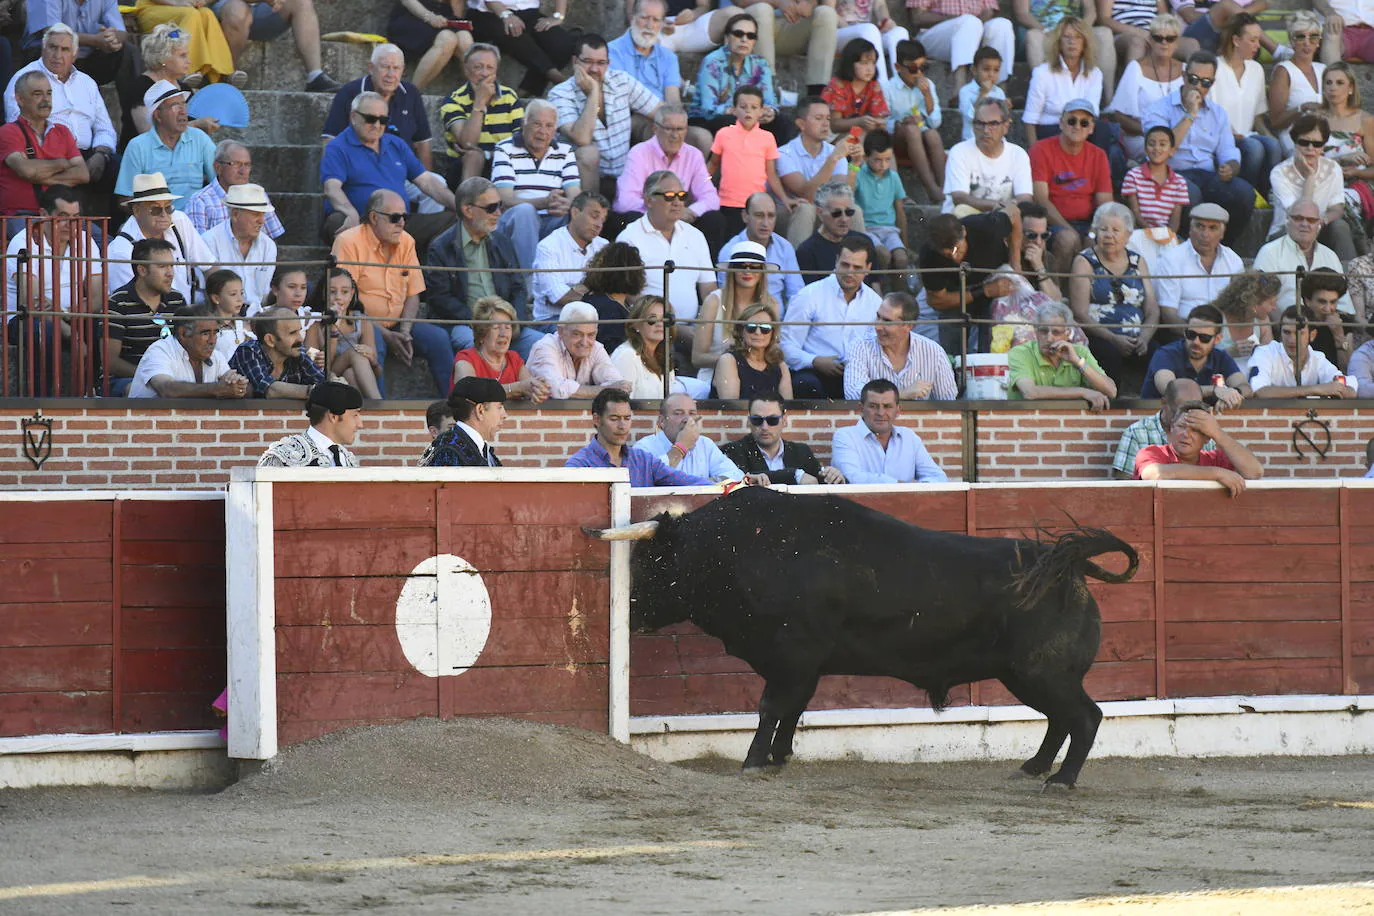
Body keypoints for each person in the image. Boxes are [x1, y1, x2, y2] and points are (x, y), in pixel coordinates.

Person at [332, 188, 454, 396]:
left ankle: (455, 408)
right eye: (395, 218)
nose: (402, 223)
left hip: (399, 323)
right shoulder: (348, 242)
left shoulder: (406, 241)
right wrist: (387, 335)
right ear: (373, 217)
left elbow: (413, 293)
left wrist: (405, 331)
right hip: (360, 322)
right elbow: (344, 301)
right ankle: (382, 415)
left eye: (405, 217)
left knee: (440, 339)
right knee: (374, 344)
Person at [320, 90, 456, 250]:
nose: (377, 125)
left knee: (455, 222)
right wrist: (350, 213)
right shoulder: (337, 147)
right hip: (362, 221)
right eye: (370, 119)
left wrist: (459, 205)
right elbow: (331, 188)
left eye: (383, 120)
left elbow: (426, 181)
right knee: (339, 223)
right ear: (354, 117)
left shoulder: (396, 144)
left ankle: (421, 270)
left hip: (398, 221)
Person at [1141, 51, 1253, 247]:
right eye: (1193, 80)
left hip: (1208, 173)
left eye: (1206, 83)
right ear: (1184, 77)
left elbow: (1228, 151)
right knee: (1189, 193)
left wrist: (1230, 166)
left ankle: (1224, 247)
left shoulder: (1218, 113)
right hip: (1172, 173)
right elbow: (1160, 149)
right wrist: (1190, 114)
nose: (1198, 87)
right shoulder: (1159, 108)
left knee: (1243, 193)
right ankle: (1187, 247)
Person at [425, 176, 541, 359]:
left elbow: (518, 287)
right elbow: (440, 299)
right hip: (465, 324)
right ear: (468, 210)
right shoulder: (441, 247)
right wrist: (482, 321)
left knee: (541, 345)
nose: (498, 213)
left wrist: (513, 321)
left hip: (504, 323)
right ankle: (494, 388)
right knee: (475, 346)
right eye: (491, 208)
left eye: (500, 205)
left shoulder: (502, 242)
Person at [3, 186, 104, 392]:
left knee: (102, 322)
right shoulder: (24, 242)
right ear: (44, 215)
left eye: (76, 217)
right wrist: (71, 335)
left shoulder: (86, 241)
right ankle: (46, 400)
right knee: (45, 330)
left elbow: (97, 297)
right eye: (63, 216)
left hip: (70, 314)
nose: (70, 224)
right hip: (23, 319)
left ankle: (92, 393)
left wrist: (68, 315)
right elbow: (32, 302)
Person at [4, 25, 117, 209]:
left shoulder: (87, 83)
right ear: (43, 48)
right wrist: (62, 161)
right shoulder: (24, 79)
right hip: (46, 151)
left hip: (88, 153)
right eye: (53, 47)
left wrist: (101, 154)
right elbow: (19, 126)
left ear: (74, 53)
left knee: (118, 168)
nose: (57, 54)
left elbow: (105, 128)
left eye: (64, 49)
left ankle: (114, 229)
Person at [550, 33, 661, 194]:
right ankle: (588, 212)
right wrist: (593, 92)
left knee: (658, 127)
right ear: (575, 62)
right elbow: (582, 138)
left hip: (625, 175)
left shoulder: (622, 80)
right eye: (587, 62)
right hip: (584, 180)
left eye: (601, 63)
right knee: (588, 152)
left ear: (608, 63)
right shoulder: (560, 93)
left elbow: (660, 110)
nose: (594, 69)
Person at [1067, 201, 1158, 386]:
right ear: (1096, 232)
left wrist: (1145, 337)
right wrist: (1113, 338)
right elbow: (1079, 313)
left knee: (1160, 355)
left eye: (1116, 230)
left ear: (1128, 235)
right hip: (1099, 336)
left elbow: (1152, 308)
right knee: (1108, 354)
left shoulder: (1137, 260)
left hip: (1137, 337)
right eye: (1103, 229)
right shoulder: (1085, 261)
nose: (1109, 235)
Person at [783, 234, 884, 398]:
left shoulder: (875, 303)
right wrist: (815, 361)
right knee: (806, 384)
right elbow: (786, 347)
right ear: (836, 261)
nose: (849, 272)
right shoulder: (809, 295)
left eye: (857, 267)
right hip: (813, 373)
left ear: (868, 268)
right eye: (845, 265)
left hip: (857, 374)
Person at [488, 99, 579, 272]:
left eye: (549, 126)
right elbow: (505, 200)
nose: (542, 132)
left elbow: (575, 194)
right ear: (524, 123)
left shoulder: (565, 151)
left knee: (574, 214)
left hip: (551, 219)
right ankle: (528, 281)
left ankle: (564, 278)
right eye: (537, 124)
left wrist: (568, 205)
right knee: (525, 212)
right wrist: (544, 202)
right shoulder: (505, 149)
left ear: (555, 130)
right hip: (515, 223)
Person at [617, 170, 717, 327]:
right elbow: (629, 296)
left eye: (682, 196)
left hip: (693, 328)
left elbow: (709, 290)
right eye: (669, 196)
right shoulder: (629, 238)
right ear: (649, 200)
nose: (677, 202)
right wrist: (671, 328)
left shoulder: (695, 235)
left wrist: (707, 329)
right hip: (648, 328)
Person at [611, 0, 712, 151]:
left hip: (665, 120)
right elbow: (623, 101)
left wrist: (673, 122)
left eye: (656, 20)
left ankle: (688, 173)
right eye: (644, 18)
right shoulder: (613, 51)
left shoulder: (668, 57)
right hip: (630, 118)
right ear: (633, 17)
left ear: (662, 24)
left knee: (702, 138)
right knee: (656, 132)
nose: (649, 25)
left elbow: (673, 99)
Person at [1029, 97, 1114, 274]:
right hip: (1051, 222)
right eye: (1071, 121)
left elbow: (1105, 203)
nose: (1077, 126)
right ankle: (1057, 293)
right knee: (1068, 239)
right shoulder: (1040, 149)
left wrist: (1092, 232)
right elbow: (1041, 199)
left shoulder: (1098, 156)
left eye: (1084, 123)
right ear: (1061, 123)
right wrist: (1070, 230)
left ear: (1091, 129)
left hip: (1088, 222)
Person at [917, 206, 1017, 353]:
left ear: (964, 232)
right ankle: (952, 369)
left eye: (956, 249)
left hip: (996, 280)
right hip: (959, 294)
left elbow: (1014, 213)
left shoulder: (984, 226)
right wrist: (983, 291)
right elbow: (936, 301)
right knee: (950, 326)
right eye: (946, 253)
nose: (953, 256)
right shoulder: (929, 254)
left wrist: (1016, 262)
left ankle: (989, 367)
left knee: (994, 337)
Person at [564, 387, 712, 486]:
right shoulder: (579, 465)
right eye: (614, 419)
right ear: (597, 420)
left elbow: (686, 481)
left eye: (627, 418)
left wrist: (722, 487)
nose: (622, 426)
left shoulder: (643, 459)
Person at [615, 104, 722, 240]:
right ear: (655, 128)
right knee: (631, 217)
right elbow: (625, 201)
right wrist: (662, 211)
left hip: (682, 219)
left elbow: (711, 198)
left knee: (714, 219)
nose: (675, 135)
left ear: (686, 130)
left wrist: (690, 211)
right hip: (649, 219)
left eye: (680, 129)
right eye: (669, 129)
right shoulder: (639, 153)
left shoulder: (694, 155)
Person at [322, 44, 434, 172]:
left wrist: (427, 179)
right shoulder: (349, 92)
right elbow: (330, 139)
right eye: (385, 67)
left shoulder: (411, 94)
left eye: (396, 68)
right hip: (361, 172)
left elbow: (422, 142)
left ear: (403, 70)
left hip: (403, 173)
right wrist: (333, 178)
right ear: (371, 68)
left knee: (440, 184)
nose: (391, 74)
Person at [106, 172, 215, 301]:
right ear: (136, 210)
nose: (164, 214)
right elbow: (129, 302)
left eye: (168, 207)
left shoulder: (180, 221)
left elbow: (210, 267)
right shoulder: (120, 251)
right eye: (156, 209)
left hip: (186, 314)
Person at [116, 24, 219, 152]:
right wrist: (196, 125)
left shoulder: (184, 89)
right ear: (163, 58)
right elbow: (147, 134)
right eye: (182, 55)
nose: (189, 61)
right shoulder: (140, 87)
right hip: (144, 159)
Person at [103, 238, 187, 395]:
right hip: (126, 379)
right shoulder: (117, 303)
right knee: (151, 393)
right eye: (162, 266)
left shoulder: (177, 300)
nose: (170, 273)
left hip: (171, 378)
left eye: (171, 266)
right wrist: (152, 375)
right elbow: (110, 362)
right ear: (142, 270)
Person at [115, 80, 214, 210]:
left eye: (184, 105)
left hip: (196, 222)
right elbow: (125, 198)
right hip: (155, 222)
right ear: (158, 115)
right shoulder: (138, 146)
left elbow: (219, 183)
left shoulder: (199, 139)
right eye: (175, 106)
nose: (183, 112)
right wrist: (156, 216)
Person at [708, 85, 795, 233]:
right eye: (743, 107)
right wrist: (702, 188)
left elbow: (771, 174)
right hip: (727, 202)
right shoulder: (724, 134)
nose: (748, 111)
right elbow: (713, 164)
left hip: (756, 204)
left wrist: (785, 199)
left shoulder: (767, 138)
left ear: (761, 111)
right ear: (734, 109)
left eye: (754, 107)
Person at [1208, 12, 1278, 197]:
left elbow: (1258, 116)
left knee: (1273, 145)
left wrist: (1270, 136)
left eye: (1258, 40)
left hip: (1248, 134)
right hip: (1222, 138)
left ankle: (1265, 196)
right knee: (1254, 149)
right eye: (1253, 40)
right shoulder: (1215, 68)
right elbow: (1210, 113)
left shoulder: (1256, 69)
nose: (1258, 45)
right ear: (1236, 40)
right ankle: (1245, 194)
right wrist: (1231, 134)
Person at [0, 71, 87, 218]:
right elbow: (26, 171)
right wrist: (62, 163)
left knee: (103, 240)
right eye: (37, 94)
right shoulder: (8, 132)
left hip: (63, 216)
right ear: (19, 99)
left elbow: (83, 174)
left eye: (49, 93)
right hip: (21, 215)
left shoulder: (63, 131)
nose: (45, 100)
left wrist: (37, 174)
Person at [777, 99, 864, 246]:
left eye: (828, 118)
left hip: (825, 213)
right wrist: (833, 159)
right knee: (806, 209)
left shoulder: (833, 151)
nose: (825, 124)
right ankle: (799, 265)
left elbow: (842, 193)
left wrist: (854, 165)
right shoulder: (784, 154)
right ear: (801, 124)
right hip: (789, 216)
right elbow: (807, 195)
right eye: (819, 118)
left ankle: (859, 262)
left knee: (853, 209)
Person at [1268, 114, 1354, 260]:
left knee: (1340, 227)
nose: (1310, 148)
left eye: (1316, 144)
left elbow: (1337, 209)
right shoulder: (1279, 173)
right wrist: (1310, 176)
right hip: (1287, 230)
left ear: (1323, 146)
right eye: (1304, 142)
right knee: (1301, 228)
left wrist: (1323, 220)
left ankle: (1351, 277)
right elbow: (1302, 216)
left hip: (1320, 228)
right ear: (1295, 143)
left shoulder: (1333, 168)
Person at [843, 291, 957, 399]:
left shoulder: (934, 352)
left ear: (908, 326)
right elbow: (853, 393)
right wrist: (901, 394)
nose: (877, 327)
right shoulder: (860, 347)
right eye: (878, 317)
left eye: (887, 321)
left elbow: (950, 402)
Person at [438, 43, 524, 186]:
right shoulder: (453, 100)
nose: (484, 73)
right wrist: (479, 102)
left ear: (496, 71)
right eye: (478, 67)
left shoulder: (509, 97)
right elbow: (468, 143)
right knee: (473, 155)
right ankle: (467, 203)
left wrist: (490, 154)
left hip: (503, 163)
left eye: (489, 68)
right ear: (466, 70)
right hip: (464, 168)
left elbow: (520, 138)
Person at [1252, 198, 1353, 319]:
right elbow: (1261, 299)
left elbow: (1344, 302)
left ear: (1319, 224)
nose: (1305, 224)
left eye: (1311, 220)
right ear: (1288, 221)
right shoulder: (1269, 252)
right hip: (1284, 329)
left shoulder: (1330, 256)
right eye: (1298, 218)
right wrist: (1288, 325)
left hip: (1327, 328)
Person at [831, 378, 947, 482]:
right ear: (861, 409)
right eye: (873, 406)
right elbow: (852, 477)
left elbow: (938, 477)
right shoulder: (845, 436)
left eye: (887, 406)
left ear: (898, 411)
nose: (881, 413)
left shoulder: (909, 437)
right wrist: (900, 486)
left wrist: (914, 488)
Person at [1134, 402, 1263, 495]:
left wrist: (1217, 433)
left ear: (1207, 437)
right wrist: (1217, 474)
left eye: (1196, 430)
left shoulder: (1216, 459)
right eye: (1181, 426)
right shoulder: (1151, 452)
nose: (1186, 434)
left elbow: (1255, 472)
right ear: (1171, 428)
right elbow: (1156, 474)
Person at [1008, 301, 1117, 410]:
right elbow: (1030, 393)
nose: (1049, 338)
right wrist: (1082, 392)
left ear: (1068, 333)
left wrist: (1078, 362)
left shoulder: (1080, 352)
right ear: (1035, 331)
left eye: (1056, 332)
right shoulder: (1020, 352)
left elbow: (1111, 391)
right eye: (1043, 331)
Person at [1105, 13, 1184, 163]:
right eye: (1158, 38)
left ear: (1177, 42)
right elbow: (1119, 116)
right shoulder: (1136, 68)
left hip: (1177, 138)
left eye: (1170, 38)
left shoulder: (1185, 70)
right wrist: (1154, 133)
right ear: (1150, 40)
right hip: (1142, 137)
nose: (1164, 43)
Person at [694, 240, 780, 375]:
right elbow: (697, 357)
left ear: (762, 271)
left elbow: (773, 352)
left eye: (754, 267)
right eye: (741, 266)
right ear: (732, 270)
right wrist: (737, 362)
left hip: (758, 377)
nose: (747, 271)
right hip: (716, 376)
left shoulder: (772, 304)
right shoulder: (713, 301)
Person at [128, 302, 249, 399]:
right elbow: (166, 389)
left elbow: (231, 383)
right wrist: (216, 389)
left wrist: (237, 386)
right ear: (183, 333)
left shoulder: (216, 356)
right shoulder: (160, 350)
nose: (212, 341)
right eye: (205, 333)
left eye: (215, 333)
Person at [689, 12, 781, 137]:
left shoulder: (760, 64)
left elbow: (769, 100)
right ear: (727, 38)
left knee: (782, 123)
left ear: (754, 42)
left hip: (748, 117)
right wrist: (738, 111)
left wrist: (770, 112)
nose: (744, 39)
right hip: (709, 119)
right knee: (732, 123)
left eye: (750, 36)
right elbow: (708, 108)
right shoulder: (713, 62)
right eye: (738, 34)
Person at [1153, 202, 1243, 328]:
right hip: (1185, 333)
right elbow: (1168, 314)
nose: (1205, 234)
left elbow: (1240, 306)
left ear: (1222, 233)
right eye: (1200, 226)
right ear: (1190, 230)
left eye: (1213, 228)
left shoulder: (1233, 260)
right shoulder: (1171, 259)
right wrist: (1197, 335)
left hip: (1225, 333)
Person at [721, 392, 845, 483]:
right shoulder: (734, 450)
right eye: (757, 420)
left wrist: (833, 476)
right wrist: (795, 475)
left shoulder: (801, 451)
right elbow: (742, 479)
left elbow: (818, 481)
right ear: (749, 422)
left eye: (772, 420)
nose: (764, 427)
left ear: (784, 421)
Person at [461, 0, 576, 97]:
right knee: (512, 33)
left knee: (562, 43)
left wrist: (558, 16)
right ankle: (556, 77)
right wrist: (506, 15)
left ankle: (525, 90)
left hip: (529, 12)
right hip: (488, 13)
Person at [1022, 18, 1105, 147]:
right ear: (1059, 42)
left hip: (1082, 130)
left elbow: (1092, 112)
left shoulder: (1095, 73)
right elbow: (1030, 118)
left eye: (1078, 37)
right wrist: (1034, 153)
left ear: (1085, 43)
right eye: (1067, 37)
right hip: (1052, 131)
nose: (1072, 42)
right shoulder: (1042, 72)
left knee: (1103, 129)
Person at [942, 97, 1032, 216]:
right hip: (967, 218)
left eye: (993, 124)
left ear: (1005, 126)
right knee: (961, 210)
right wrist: (998, 205)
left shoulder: (1018, 154)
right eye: (980, 123)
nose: (986, 130)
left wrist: (1003, 208)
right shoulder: (959, 151)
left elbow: (1025, 198)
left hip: (1002, 216)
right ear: (973, 126)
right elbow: (959, 197)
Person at [1316, 62, 1374, 247]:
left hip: (1357, 184)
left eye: (1340, 83)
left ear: (1350, 88)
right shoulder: (1315, 119)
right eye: (1328, 82)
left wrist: (1355, 173)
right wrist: (1338, 163)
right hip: (1322, 181)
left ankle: (1360, 240)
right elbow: (1306, 160)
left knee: (1339, 201)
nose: (1333, 88)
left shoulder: (1365, 120)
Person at [452, 295, 551, 401]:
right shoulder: (466, 359)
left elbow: (529, 387)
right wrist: (517, 388)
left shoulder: (514, 359)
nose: (503, 334)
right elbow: (469, 392)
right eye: (496, 328)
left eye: (508, 327)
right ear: (482, 334)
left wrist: (538, 388)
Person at [905, 0, 1013, 97]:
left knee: (1002, 24)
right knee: (968, 21)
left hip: (974, 30)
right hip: (936, 36)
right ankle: (960, 88)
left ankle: (998, 92)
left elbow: (988, 10)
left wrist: (975, 28)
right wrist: (957, 19)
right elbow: (918, 17)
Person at [1140, 303, 1247, 401]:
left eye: (1204, 338)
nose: (1196, 342)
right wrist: (1214, 390)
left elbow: (1245, 387)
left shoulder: (1221, 357)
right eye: (1191, 334)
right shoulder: (1165, 354)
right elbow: (1170, 390)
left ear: (1217, 339)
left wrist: (1232, 395)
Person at [734, 0, 838, 100]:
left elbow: (817, 3)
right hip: (757, 29)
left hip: (792, 27)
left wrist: (808, 4)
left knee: (826, 13)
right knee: (761, 9)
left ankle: (817, 93)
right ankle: (767, 84)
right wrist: (778, 2)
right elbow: (740, 1)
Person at [532, 191, 609, 325]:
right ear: (574, 213)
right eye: (594, 216)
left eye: (603, 219)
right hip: (554, 322)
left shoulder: (604, 246)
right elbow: (561, 298)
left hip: (595, 319)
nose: (599, 225)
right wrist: (591, 282)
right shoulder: (548, 247)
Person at [24, 0, 136, 92]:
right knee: (57, 47)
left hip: (89, 59)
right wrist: (96, 40)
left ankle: (135, 111)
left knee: (127, 50)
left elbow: (121, 31)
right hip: (48, 57)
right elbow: (52, 34)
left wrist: (112, 37)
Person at [1249, 304, 1358, 399]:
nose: (1292, 340)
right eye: (1286, 332)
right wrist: (1316, 389)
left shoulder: (1318, 358)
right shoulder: (1264, 353)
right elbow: (1259, 391)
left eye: (1299, 333)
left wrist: (1341, 389)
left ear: (1312, 335)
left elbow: (1349, 387)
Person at [527, 301, 633, 399]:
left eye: (591, 335)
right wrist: (604, 390)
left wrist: (613, 388)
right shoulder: (545, 347)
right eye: (577, 334)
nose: (585, 342)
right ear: (560, 331)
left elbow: (617, 384)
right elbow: (555, 389)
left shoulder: (596, 347)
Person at [882, 39, 946, 202]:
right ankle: (931, 188)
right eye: (912, 68)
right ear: (898, 68)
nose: (918, 73)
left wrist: (927, 97)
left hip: (921, 136)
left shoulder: (928, 86)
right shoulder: (888, 88)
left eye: (923, 67)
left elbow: (936, 122)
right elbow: (883, 123)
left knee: (933, 135)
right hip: (897, 138)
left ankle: (946, 187)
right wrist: (901, 123)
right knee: (912, 130)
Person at [635, 392, 750, 481]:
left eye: (692, 413)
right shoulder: (644, 448)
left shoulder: (705, 444)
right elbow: (646, 480)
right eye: (678, 413)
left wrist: (704, 483)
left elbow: (735, 475)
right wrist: (681, 447)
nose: (687, 419)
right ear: (661, 421)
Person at [184, 140, 287, 239]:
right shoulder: (200, 201)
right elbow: (198, 248)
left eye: (247, 165)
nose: (243, 171)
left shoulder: (258, 194)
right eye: (236, 164)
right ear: (218, 167)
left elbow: (273, 237)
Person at [611, 295, 707, 398]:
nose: (660, 324)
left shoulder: (663, 356)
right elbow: (620, 404)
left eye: (665, 319)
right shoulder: (626, 356)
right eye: (652, 319)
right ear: (635, 324)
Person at [720, 192, 803, 309]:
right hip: (741, 321)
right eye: (759, 215)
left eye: (771, 216)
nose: (765, 223)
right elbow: (725, 298)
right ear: (745, 216)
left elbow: (796, 294)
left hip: (777, 322)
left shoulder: (785, 247)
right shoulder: (729, 251)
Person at [201, 182, 275, 312]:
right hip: (220, 317)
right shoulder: (209, 241)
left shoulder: (268, 245)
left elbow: (264, 294)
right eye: (255, 214)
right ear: (235, 214)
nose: (262, 221)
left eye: (263, 214)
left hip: (257, 317)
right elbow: (209, 292)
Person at [131, 0, 242, 87]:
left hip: (185, 7)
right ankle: (187, 71)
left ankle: (224, 71)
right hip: (152, 8)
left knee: (207, 13)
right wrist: (177, 2)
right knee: (191, 14)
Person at [1110, 377, 1203, 479]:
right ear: (1164, 403)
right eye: (1180, 411)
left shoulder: (1203, 434)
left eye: (1194, 411)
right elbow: (1123, 483)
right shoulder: (1137, 433)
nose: (1186, 417)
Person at [310, 267, 381, 400]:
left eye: (345, 292)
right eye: (332, 292)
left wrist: (373, 360)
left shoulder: (362, 321)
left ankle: (370, 410)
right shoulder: (314, 322)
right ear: (323, 293)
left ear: (352, 293)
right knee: (354, 353)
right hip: (327, 376)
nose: (338, 297)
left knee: (350, 374)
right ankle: (380, 407)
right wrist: (333, 329)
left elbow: (377, 372)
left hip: (351, 379)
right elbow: (316, 367)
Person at [1016, 0, 1115, 94]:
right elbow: (1022, 14)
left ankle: (1108, 100)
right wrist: (1046, 30)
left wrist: (1081, 30)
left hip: (1075, 30)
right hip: (1042, 31)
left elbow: (1090, 12)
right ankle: (1045, 92)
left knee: (1104, 33)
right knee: (1033, 35)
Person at [258, 381, 364, 468]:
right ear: (333, 417)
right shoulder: (283, 456)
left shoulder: (347, 458)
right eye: (355, 415)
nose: (360, 424)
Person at [228, 306, 326, 399]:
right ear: (270, 340)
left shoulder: (297, 352)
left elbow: (322, 381)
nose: (300, 338)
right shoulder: (248, 351)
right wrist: (311, 391)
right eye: (292, 333)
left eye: (299, 331)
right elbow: (268, 389)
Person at [854, 129, 910, 287]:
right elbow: (848, 192)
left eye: (887, 159)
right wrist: (854, 167)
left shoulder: (894, 177)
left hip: (889, 230)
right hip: (867, 229)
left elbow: (900, 211)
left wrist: (905, 243)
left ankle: (900, 295)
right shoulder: (858, 174)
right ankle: (879, 287)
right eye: (877, 160)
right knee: (883, 254)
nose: (883, 165)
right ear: (865, 157)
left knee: (901, 258)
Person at [1266, 11, 1326, 159]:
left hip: (1324, 135)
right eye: (1300, 37)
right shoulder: (1284, 70)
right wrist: (1301, 108)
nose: (1307, 42)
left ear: (1319, 41)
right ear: (1291, 40)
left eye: (1313, 37)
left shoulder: (1323, 69)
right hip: (1295, 137)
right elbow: (1276, 122)